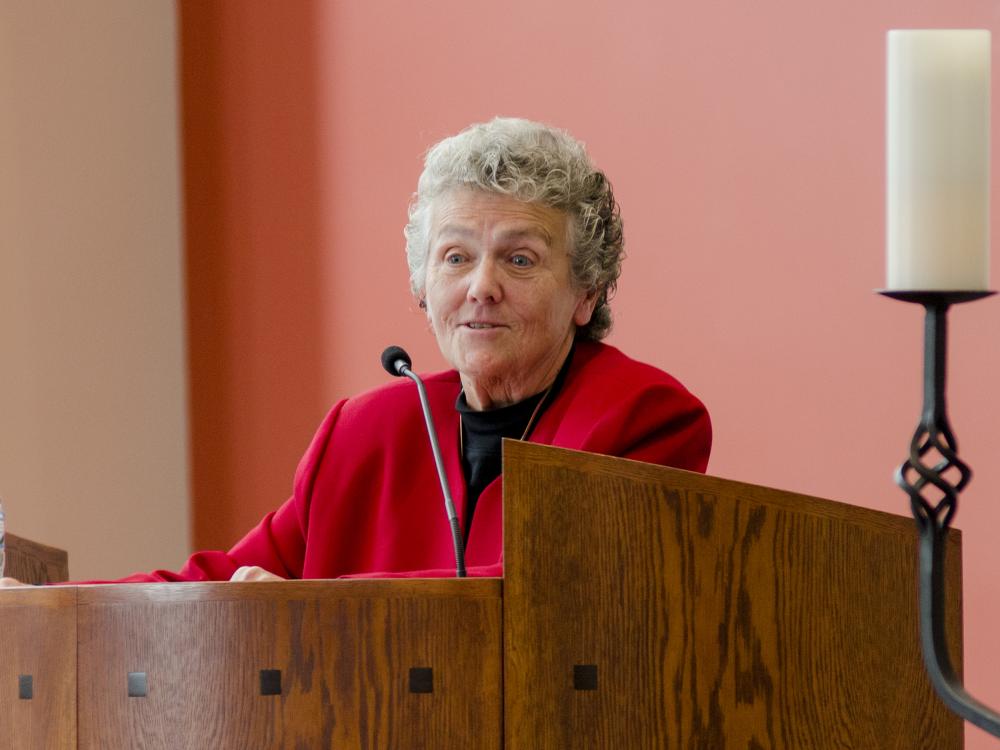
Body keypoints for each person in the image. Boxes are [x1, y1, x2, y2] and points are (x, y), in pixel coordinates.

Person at [1, 117, 711, 585]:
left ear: (584, 294)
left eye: (520, 260)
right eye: (456, 257)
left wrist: (312, 615)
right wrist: (48, 602)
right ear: (423, 287)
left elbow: (559, 597)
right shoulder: (364, 432)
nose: (482, 287)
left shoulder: (643, 418)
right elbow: (226, 582)